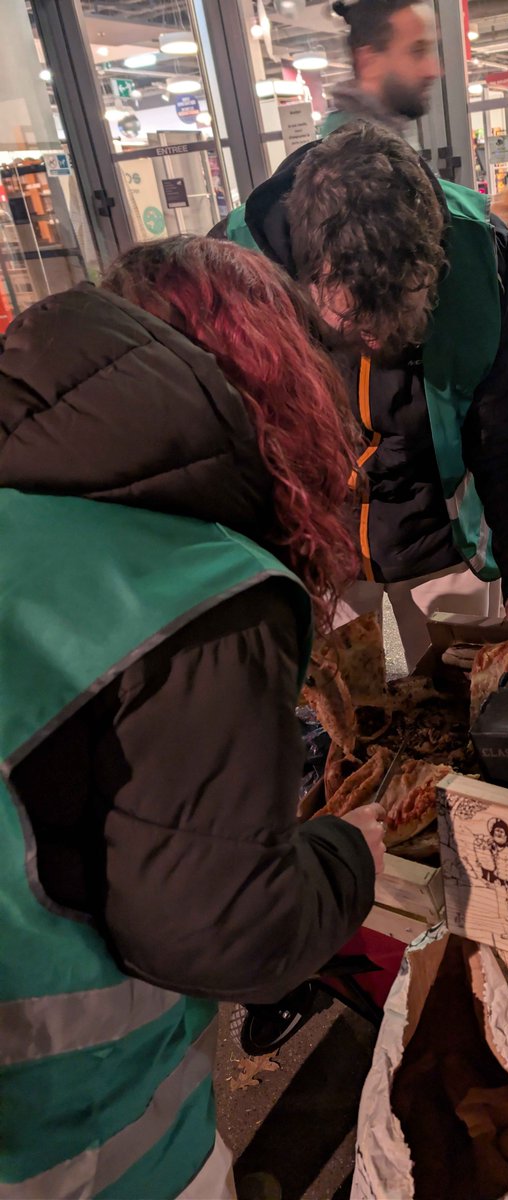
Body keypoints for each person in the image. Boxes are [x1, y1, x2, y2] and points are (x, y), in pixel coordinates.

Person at [0, 236, 385, 1198]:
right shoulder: (203, 587)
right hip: (71, 1137)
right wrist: (350, 858)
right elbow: (217, 933)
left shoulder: (29, 499)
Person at [216, 121, 508, 668]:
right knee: (342, 731)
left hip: (445, 541)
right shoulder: (232, 273)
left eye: (405, 314)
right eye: (351, 322)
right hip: (309, 551)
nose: (376, 340)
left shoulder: (481, 254)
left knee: (467, 712)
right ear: (304, 272)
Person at [322, 0, 440, 137]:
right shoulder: (356, 147)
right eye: (417, 51)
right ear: (369, 62)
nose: (432, 71)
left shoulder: (378, 135)